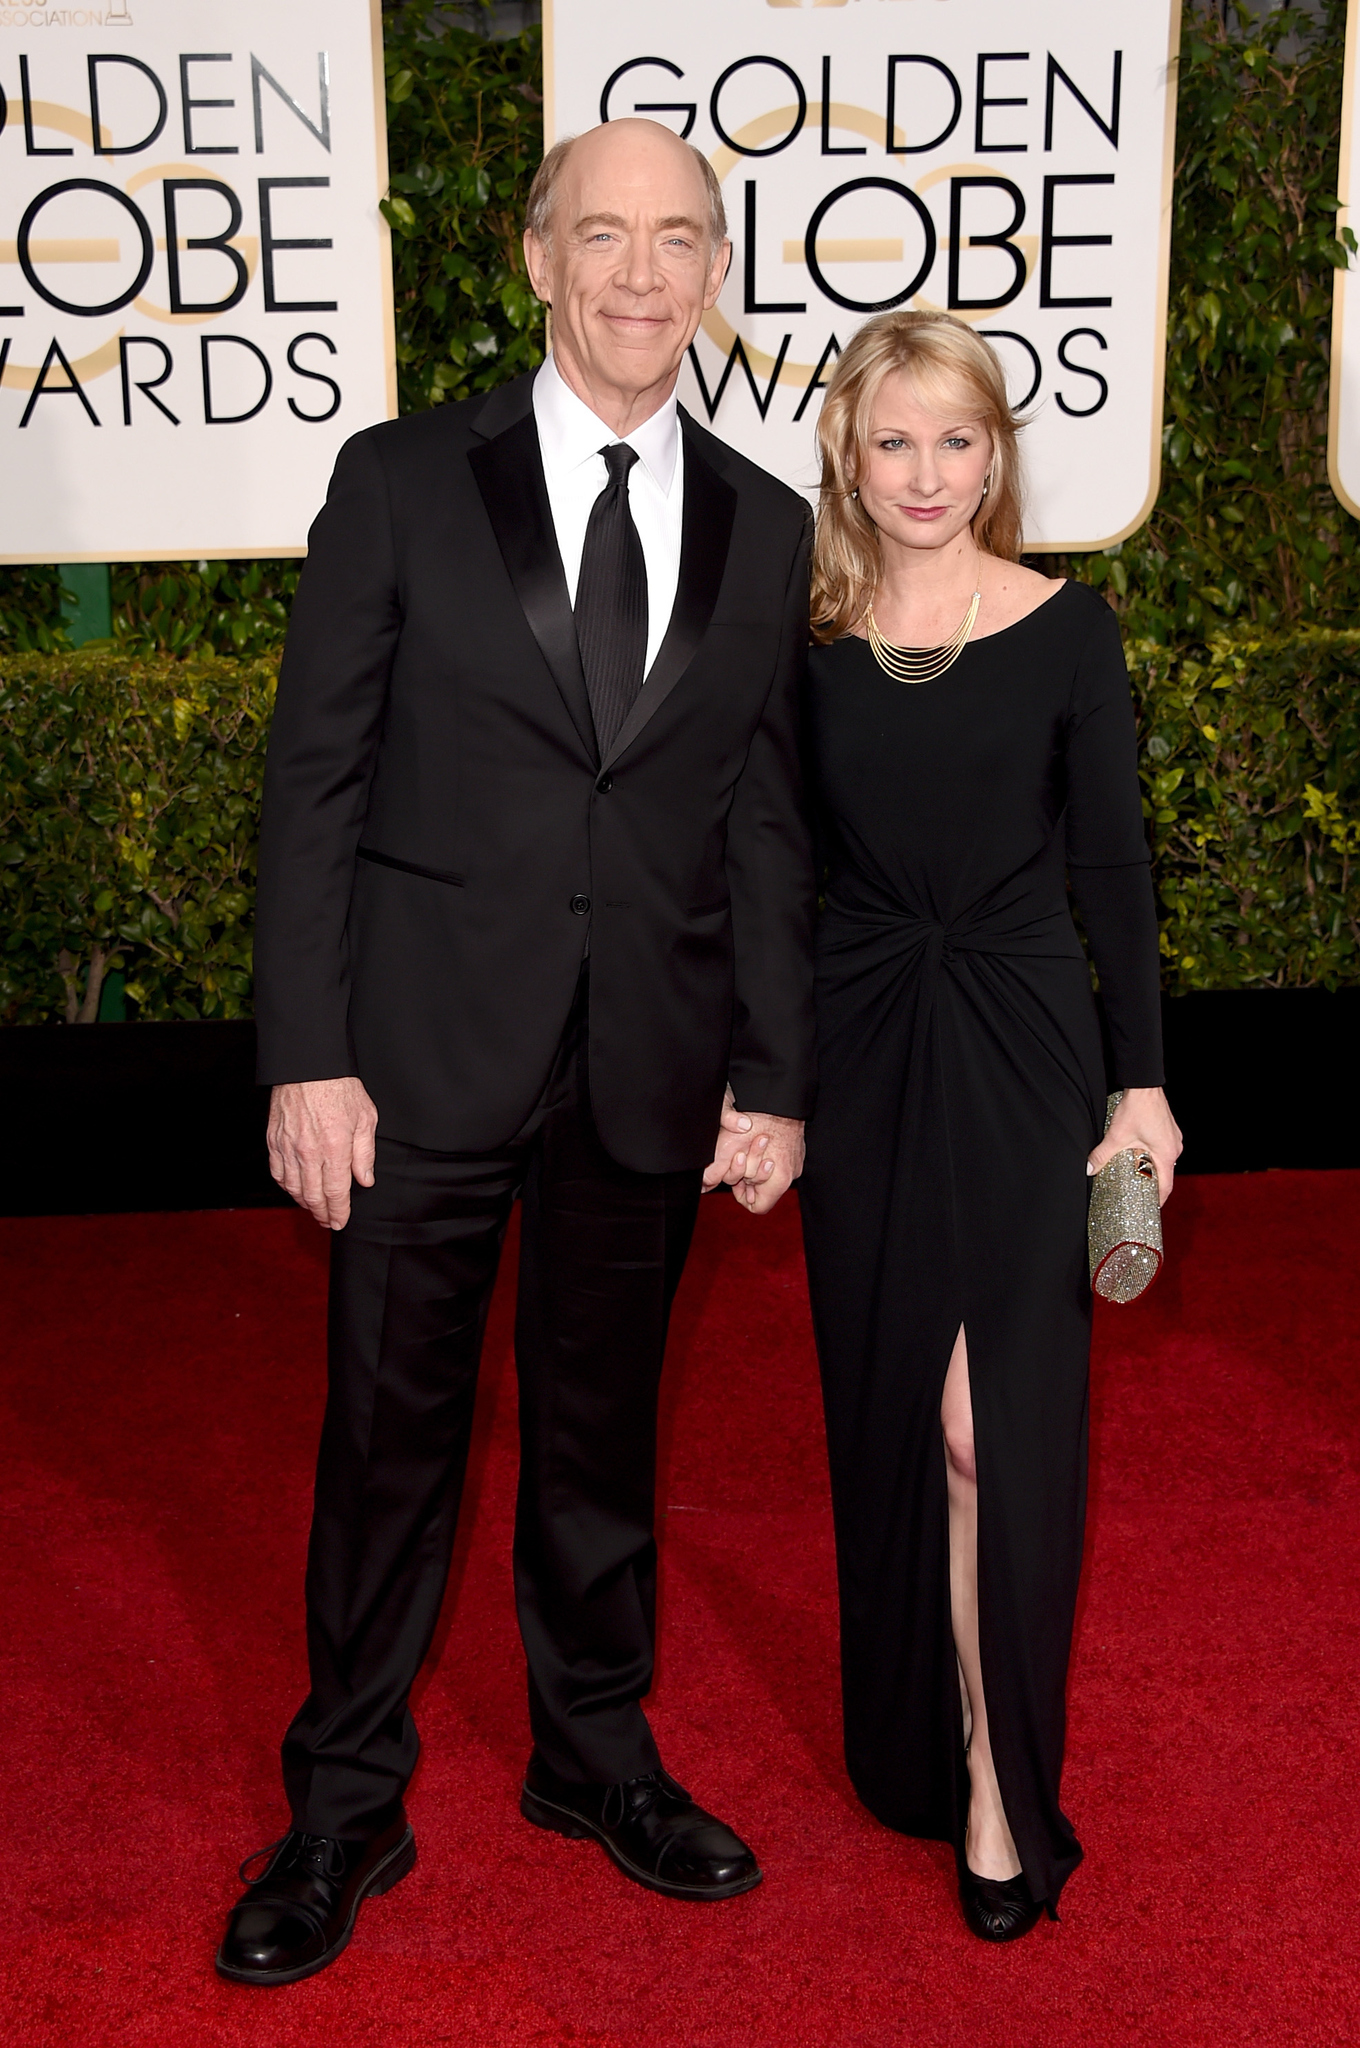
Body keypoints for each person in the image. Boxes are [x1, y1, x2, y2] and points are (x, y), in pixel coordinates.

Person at [216, 119, 815, 1987]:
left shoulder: (768, 520)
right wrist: (305, 1052)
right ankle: (345, 1798)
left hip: (647, 1060)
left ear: (715, 275)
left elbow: (765, 822)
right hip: (415, 1061)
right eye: (604, 237)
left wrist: (774, 1070)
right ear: (536, 260)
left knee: (600, 1439)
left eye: (679, 242)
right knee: (391, 1441)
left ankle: (595, 1752)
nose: (642, 276)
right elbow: (311, 781)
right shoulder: (402, 480)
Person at [797, 312, 1181, 1942]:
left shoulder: (1067, 632)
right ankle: (919, 1735)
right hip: (865, 1047)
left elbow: (1114, 876)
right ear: (849, 458)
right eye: (897, 442)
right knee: (895, 1414)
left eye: (959, 440)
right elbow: (769, 869)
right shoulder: (802, 640)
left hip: (1026, 1050)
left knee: (983, 1428)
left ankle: (995, 1789)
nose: (928, 474)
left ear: (997, 454)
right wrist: (762, 1084)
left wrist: (1142, 1084)